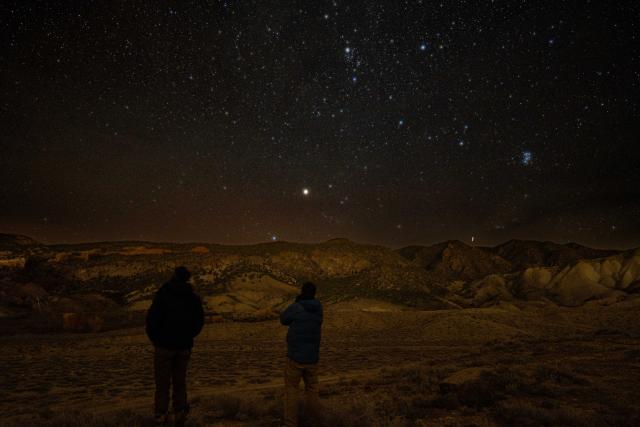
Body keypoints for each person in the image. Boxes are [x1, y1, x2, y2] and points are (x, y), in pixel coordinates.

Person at [146, 266, 204, 427]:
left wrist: (155, 338)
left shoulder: (163, 295)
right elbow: (199, 321)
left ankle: (161, 414)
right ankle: (180, 412)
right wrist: (189, 335)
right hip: (184, 346)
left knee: (162, 383)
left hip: (164, 345)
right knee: (180, 381)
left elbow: (152, 319)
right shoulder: (193, 298)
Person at [280, 281, 323, 427]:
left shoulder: (297, 306)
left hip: (295, 357)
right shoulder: (319, 308)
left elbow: (283, 319)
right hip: (312, 358)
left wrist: (297, 301)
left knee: (292, 390)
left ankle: (290, 423)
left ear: (302, 292)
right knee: (312, 390)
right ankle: (315, 421)